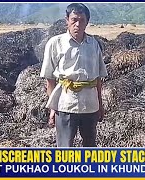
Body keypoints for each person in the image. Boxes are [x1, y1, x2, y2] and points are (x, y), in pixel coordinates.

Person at [40, 3, 108, 147]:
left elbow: (98, 79)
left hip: (90, 105)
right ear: (67, 20)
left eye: (82, 20)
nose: (77, 24)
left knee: (90, 146)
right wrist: (53, 108)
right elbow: (50, 80)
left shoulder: (94, 44)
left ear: (87, 22)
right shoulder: (55, 43)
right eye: (74, 20)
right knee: (65, 148)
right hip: (65, 104)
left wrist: (100, 105)